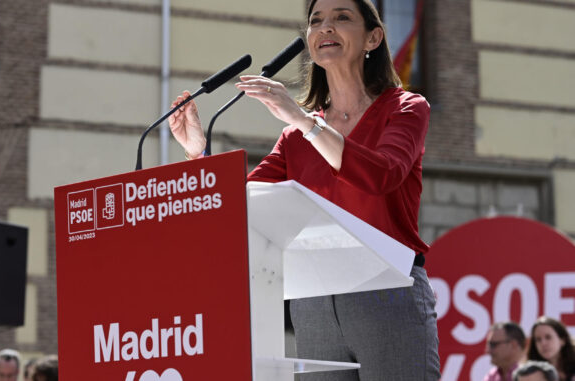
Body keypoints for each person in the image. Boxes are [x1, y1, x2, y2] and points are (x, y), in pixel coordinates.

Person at [168, 0, 440, 379]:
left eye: (341, 18)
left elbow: (381, 177)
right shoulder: (295, 138)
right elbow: (241, 206)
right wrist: (198, 152)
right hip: (313, 301)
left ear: (373, 37)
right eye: (316, 21)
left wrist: (301, 119)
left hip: (388, 291)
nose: (325, 27)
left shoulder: (406, 108)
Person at [528, 317, 575, 381]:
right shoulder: (529, 373)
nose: (543, 343)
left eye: (548, 337)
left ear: (562, 340)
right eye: (538, 339)